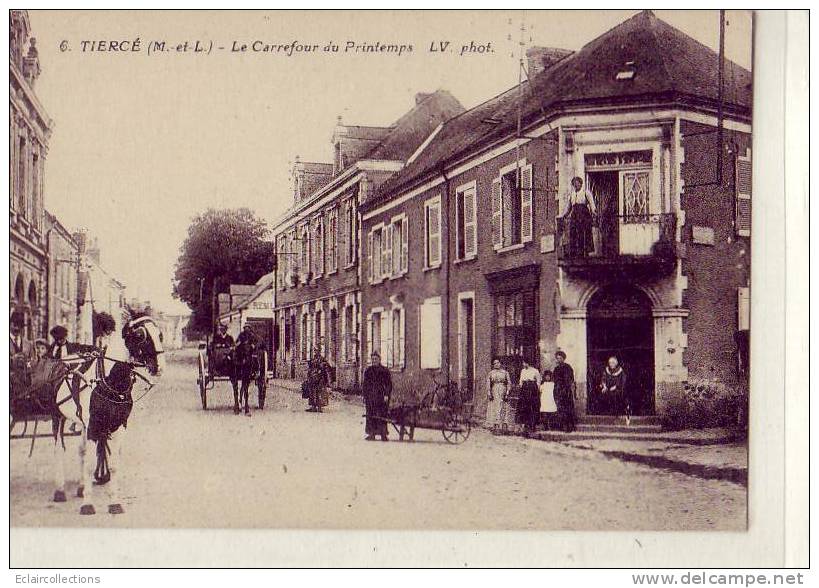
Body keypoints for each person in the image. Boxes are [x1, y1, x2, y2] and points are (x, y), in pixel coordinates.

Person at [362, 351, 392, 441]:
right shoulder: (368, 371)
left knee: (382, 415)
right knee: (370, 414)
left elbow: (388, 384)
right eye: (373, 359)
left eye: (376, 359)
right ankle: (372, 434)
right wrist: (364, 396)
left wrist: (386, 394)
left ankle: (383, 434)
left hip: (381, 396)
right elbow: (365, 384)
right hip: (370, 396)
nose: (374, 361)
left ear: (379, 360)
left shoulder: (384, 371)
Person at [563, 176, 597, 257]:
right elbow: (568, 207)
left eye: (577, 183)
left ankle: (585, 252)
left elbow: (592, 203)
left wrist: (594, 212)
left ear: (581, 184)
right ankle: (576, 253)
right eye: (574, 183)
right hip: (575, 215)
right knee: (574, 232)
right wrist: (565, 215)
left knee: (584, 233)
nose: (576, 185)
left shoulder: (586, 192)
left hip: (584, 214)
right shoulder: (572, 195)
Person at [485, 358, 512, 434]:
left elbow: (509, 383)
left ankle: (503, 425)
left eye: (498, 363)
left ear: (500, 363)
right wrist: (489, 393)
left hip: (503, 390)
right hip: (494, 390)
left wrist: (507, 392)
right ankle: (495, 425)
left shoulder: (505, 373)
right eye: (494, 363)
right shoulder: (491, 373)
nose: (496, 364)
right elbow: (488, 383)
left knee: (503, 407)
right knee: (495, 407)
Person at [553, 350, 576, 432]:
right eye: (557, 358)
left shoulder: (568, 367)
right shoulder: (556, 369)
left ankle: (570, 426)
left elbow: (571, 379)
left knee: (568, 408)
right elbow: (554, 380)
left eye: (560, 358)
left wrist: (567, 387)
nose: (558, 360)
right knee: (560, 409)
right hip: (558, 390)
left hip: (566, 391)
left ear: (563, 358)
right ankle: (562, 426)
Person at [517, 358, 542, 436]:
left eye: (525, 363)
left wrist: (536, 391)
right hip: (525, 389)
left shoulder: (535, 371)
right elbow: (521, 380)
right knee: (524, 407)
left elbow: (538, 381)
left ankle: (533, 424)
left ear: (528, 363)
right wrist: (522, 387)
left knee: (533, 407)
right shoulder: (523, 371)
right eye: (523, 363)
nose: (524, 365)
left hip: (532, 389)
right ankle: (526, 424)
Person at [305, 348, 330, 413]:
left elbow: (326, 366)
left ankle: (319, 407)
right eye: (315, 351)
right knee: (312, 392)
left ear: (319, 351)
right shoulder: (313, 359)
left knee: (320, 392)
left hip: (320, 378)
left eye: (317, 351)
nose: (315, 352)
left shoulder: (322, 359)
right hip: (312, 377)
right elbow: (310, 367)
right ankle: (313, 407)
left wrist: (322, 368)